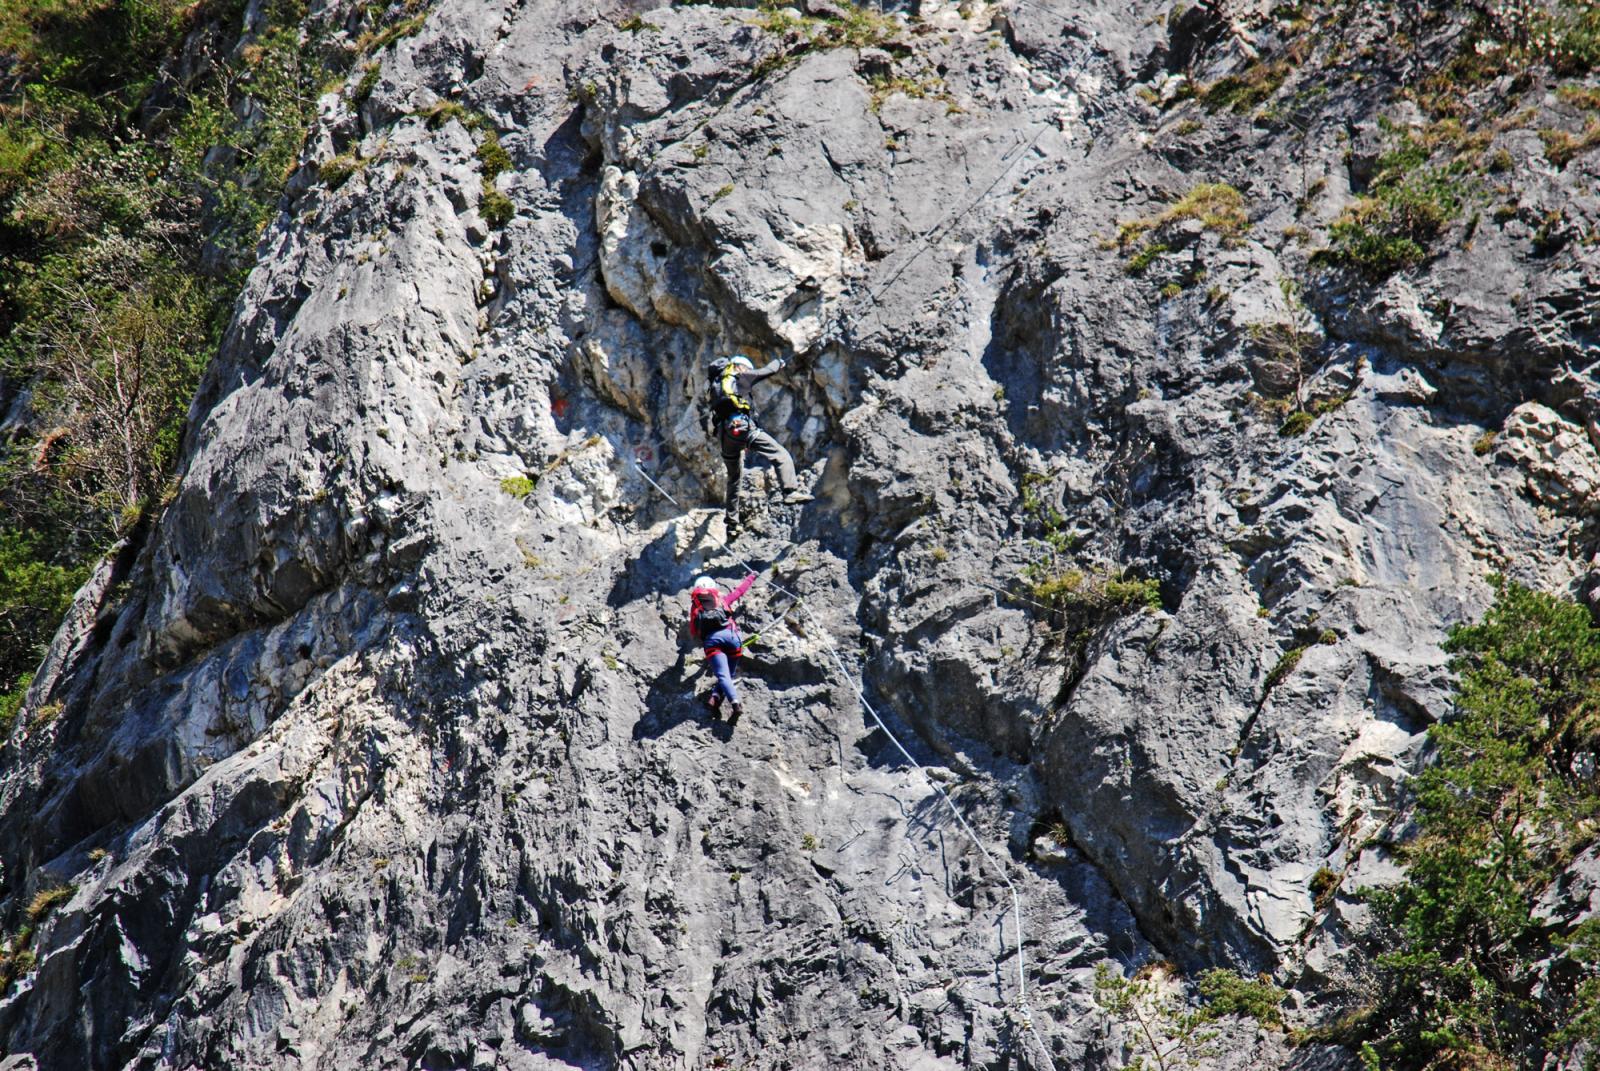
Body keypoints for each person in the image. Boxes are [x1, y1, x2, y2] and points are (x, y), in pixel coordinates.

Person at [707, 353, 814, 523]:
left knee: (734, 478)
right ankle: (790, 491)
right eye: (747, 368)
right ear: (739, 366)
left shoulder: (716, 387)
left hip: (725, 437)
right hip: (741, 427)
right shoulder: (740, 376)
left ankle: (732, 523)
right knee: (780, 454)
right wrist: (779, 362)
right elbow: (766, 371)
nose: (749, 370)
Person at [687, 571, 757, 722]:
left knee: (723, 675)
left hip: (712, 642)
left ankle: (735, 704)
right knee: (728, 674)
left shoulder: (696, 607)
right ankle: (715, 697)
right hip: (732, 637)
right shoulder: (721, 600)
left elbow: (693, 631)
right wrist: (752, 576)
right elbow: (739, 592)